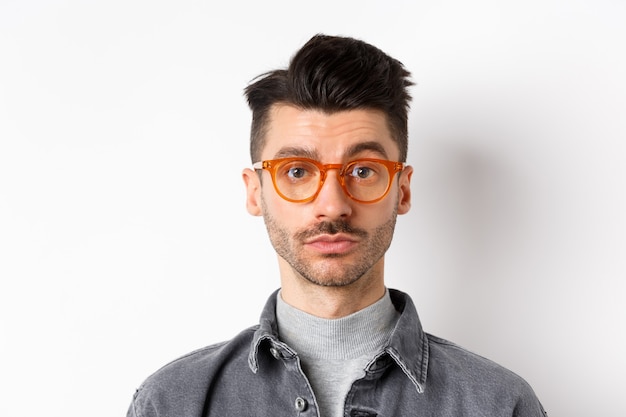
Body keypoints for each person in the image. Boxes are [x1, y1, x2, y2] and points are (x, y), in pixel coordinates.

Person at [126, 34, 547, 417]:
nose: (332, 205)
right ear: (255, 192)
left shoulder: (498, 404)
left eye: (363, 170)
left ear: (401, 190)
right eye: (296, 171)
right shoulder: (172, 402)